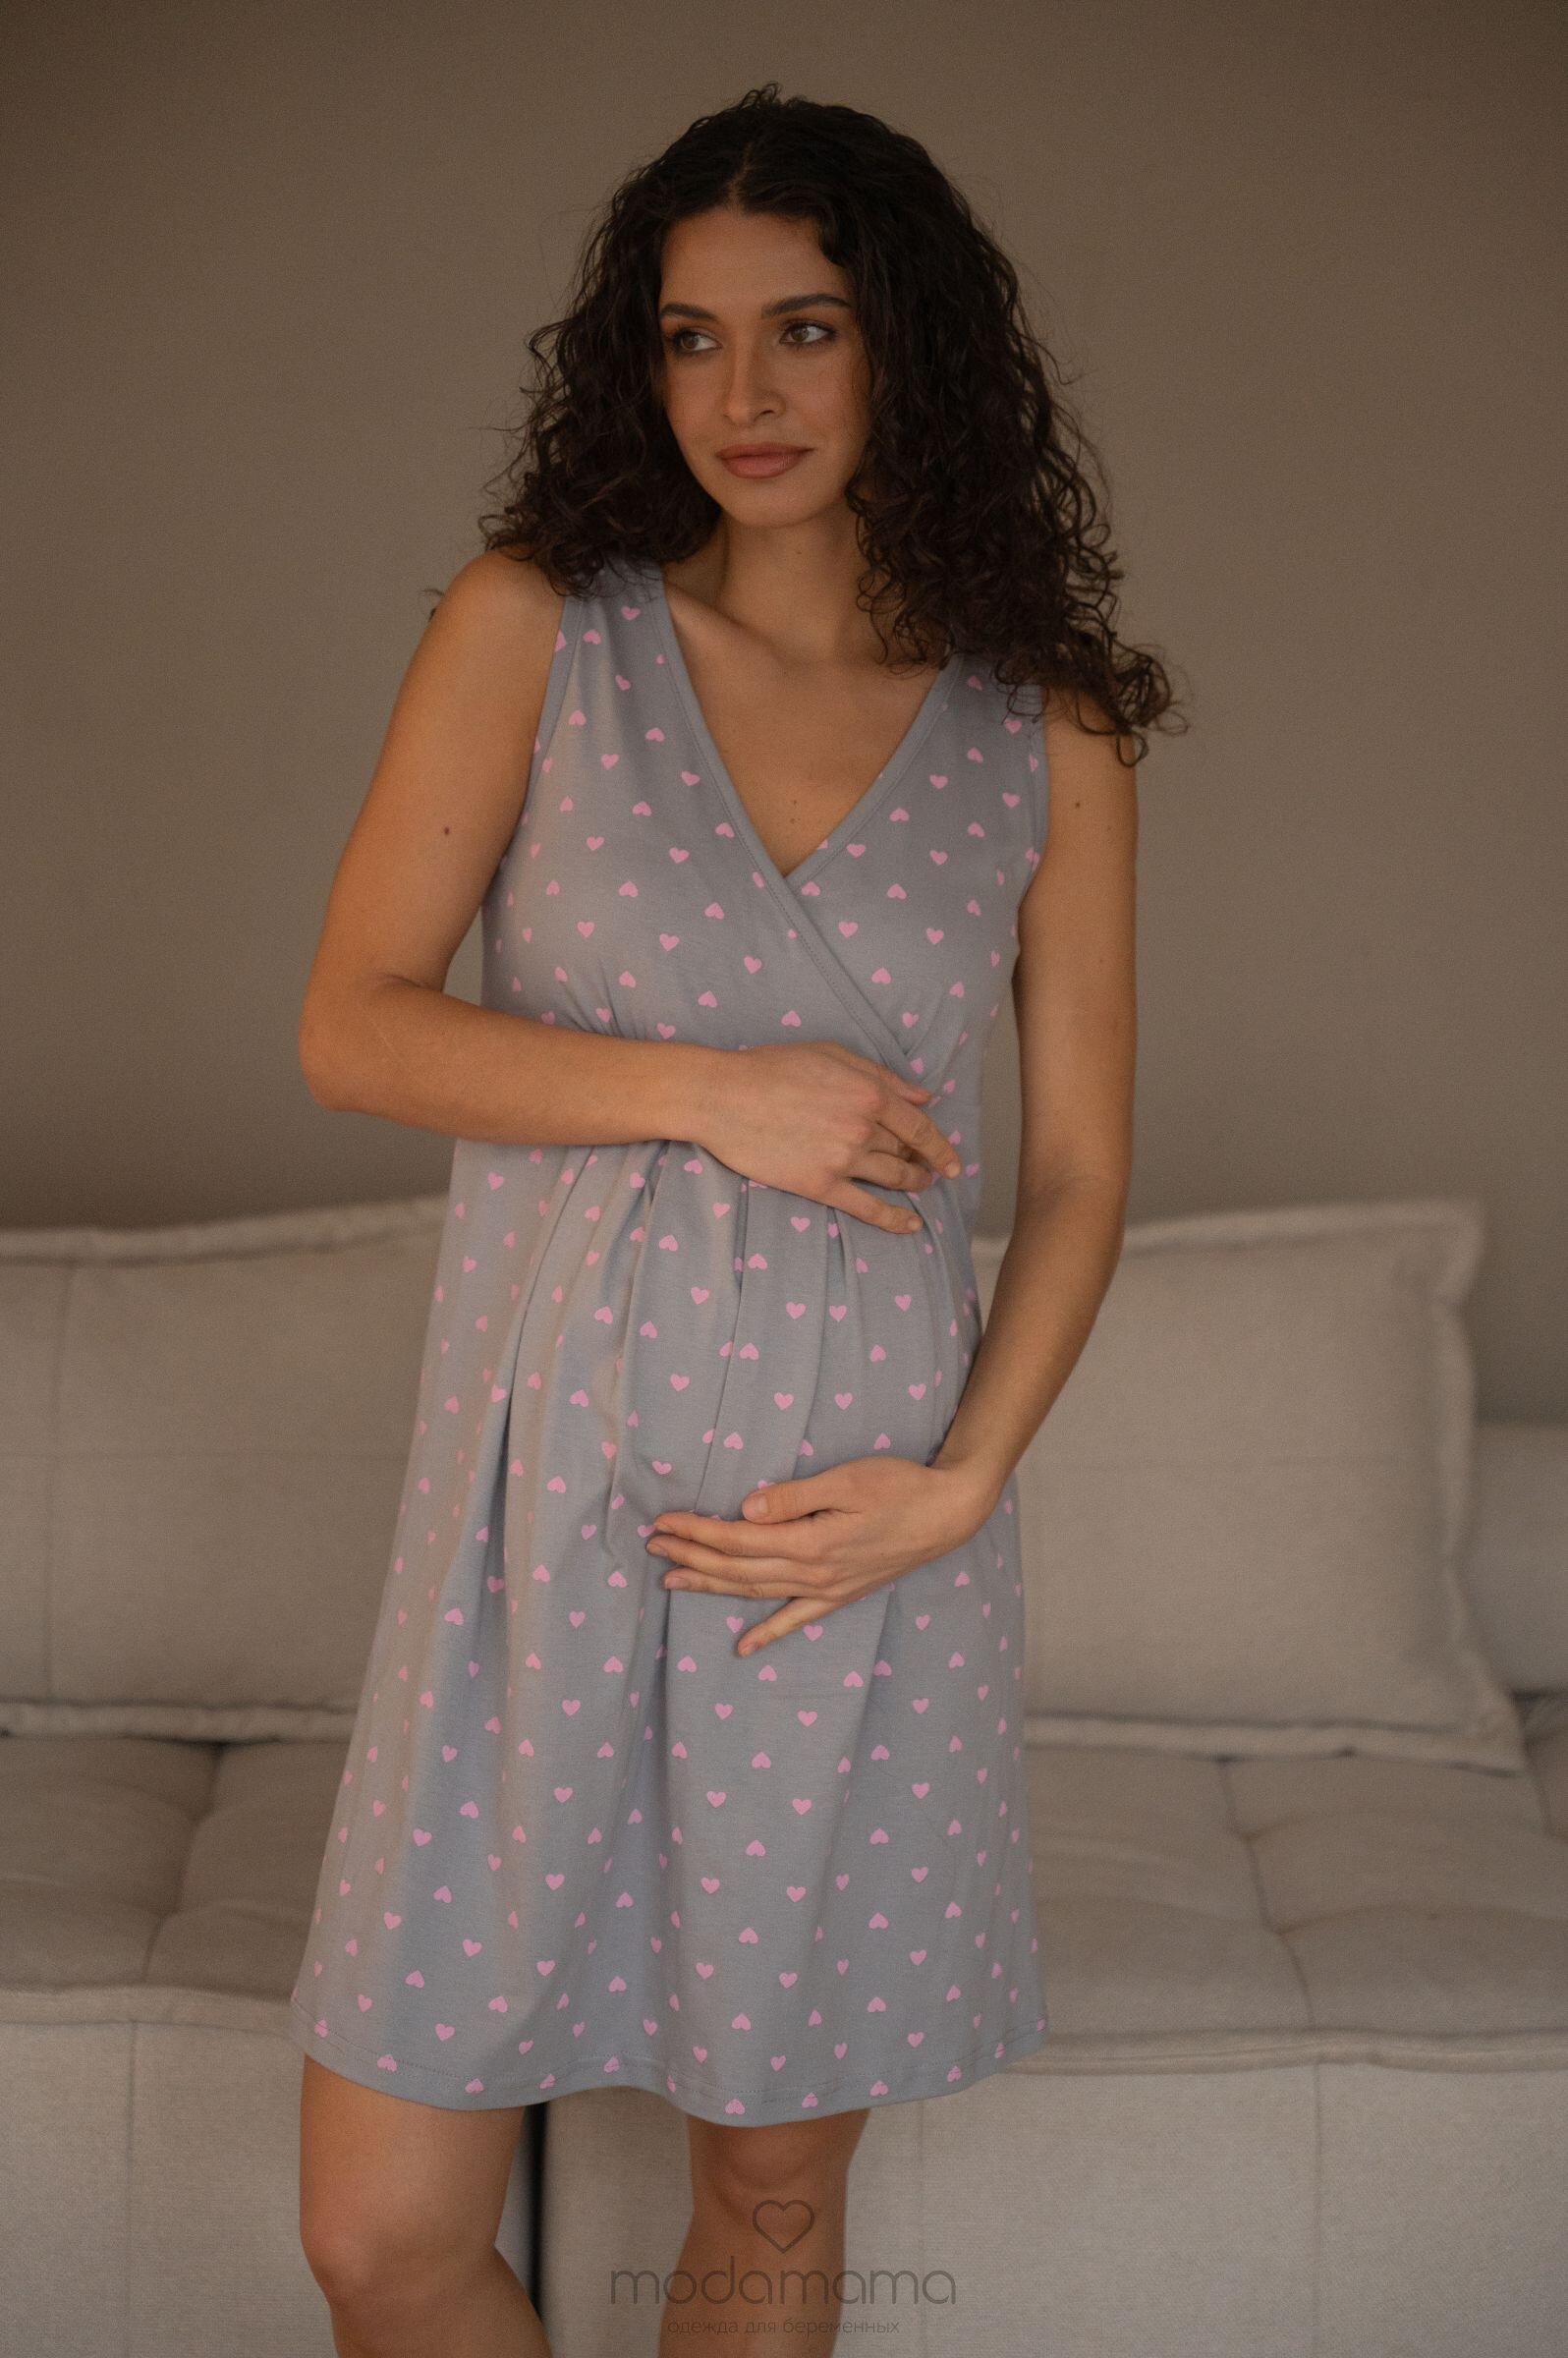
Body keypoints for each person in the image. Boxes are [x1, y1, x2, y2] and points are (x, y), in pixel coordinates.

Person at [291, 81, 1173, 2358]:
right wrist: (712, 1095)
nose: (743, 393)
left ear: (912, 350)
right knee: (382, 2235)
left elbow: (1083, 1167)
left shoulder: (1048, 723)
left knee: (770, 2187)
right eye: (691, 336)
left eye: (806, 328)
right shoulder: (535, 628)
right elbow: (354, 1027)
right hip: (531, 1513)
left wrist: (960, 1488)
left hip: (841, 1534)